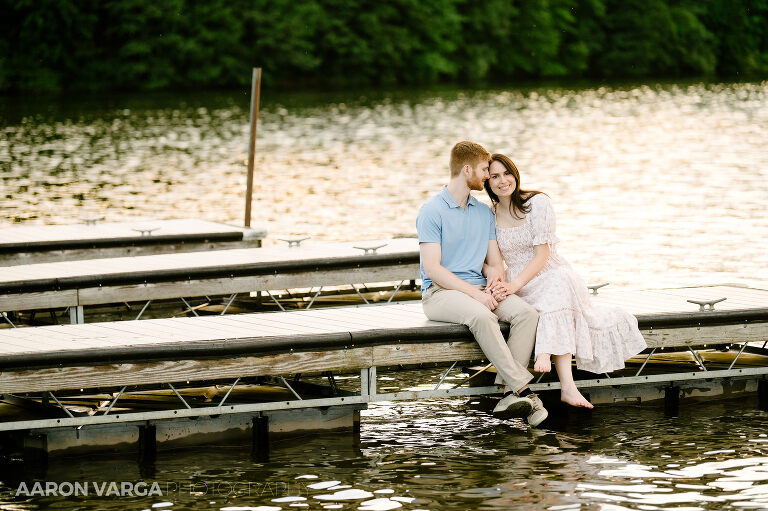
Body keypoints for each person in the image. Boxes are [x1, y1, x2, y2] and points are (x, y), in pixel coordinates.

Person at [484, 153, 647, 408]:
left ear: (515, 174)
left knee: (557, 283)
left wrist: (514, 286)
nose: (503, 181)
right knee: (545, 300)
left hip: (547, 272)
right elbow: (491, 259)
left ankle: (549, 359)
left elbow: (543, 254)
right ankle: (566, 387)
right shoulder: (489, 213)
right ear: (487, 182)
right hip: (516, 277)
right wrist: (496, 280)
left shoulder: (537, 203)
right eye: (495, 176)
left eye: (507, 173)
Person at [417, 141, 548, 426]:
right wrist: (476, 296)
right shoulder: (431, 211)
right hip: (441, 294)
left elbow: (494, 262)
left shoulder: (482, 212)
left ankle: (506, 392)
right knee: (483, 316)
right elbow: (433, 269)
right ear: (467, 170)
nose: (488, 176)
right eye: (484, 170)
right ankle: (523, 390)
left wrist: (493, 278)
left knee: (527, 314)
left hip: (479, 288)